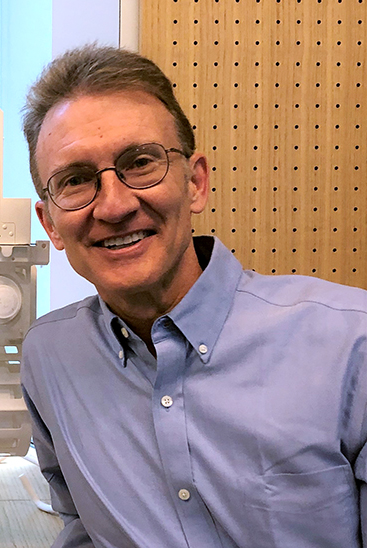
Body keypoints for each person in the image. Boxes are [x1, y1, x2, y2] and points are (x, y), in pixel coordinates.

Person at [20, 44, 367, 548]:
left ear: (196, 182)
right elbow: (83, 527)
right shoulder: (51, 358)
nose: (114, 205)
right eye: (75, 181)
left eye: (140, 163)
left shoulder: (349, 346)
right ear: (50, 222)